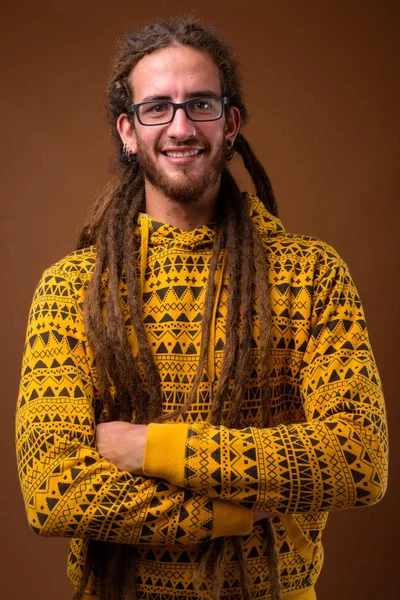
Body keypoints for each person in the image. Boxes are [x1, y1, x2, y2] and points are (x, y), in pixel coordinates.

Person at [16, 16, 388, 600]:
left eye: (202, 104)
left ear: (231, 123)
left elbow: (359, 459)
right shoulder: (70, 288)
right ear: (128, 130)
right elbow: (52, 491)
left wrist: (147, 447)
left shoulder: (311, 274)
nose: (182, 126)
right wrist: (229, 516)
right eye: (157, 107)